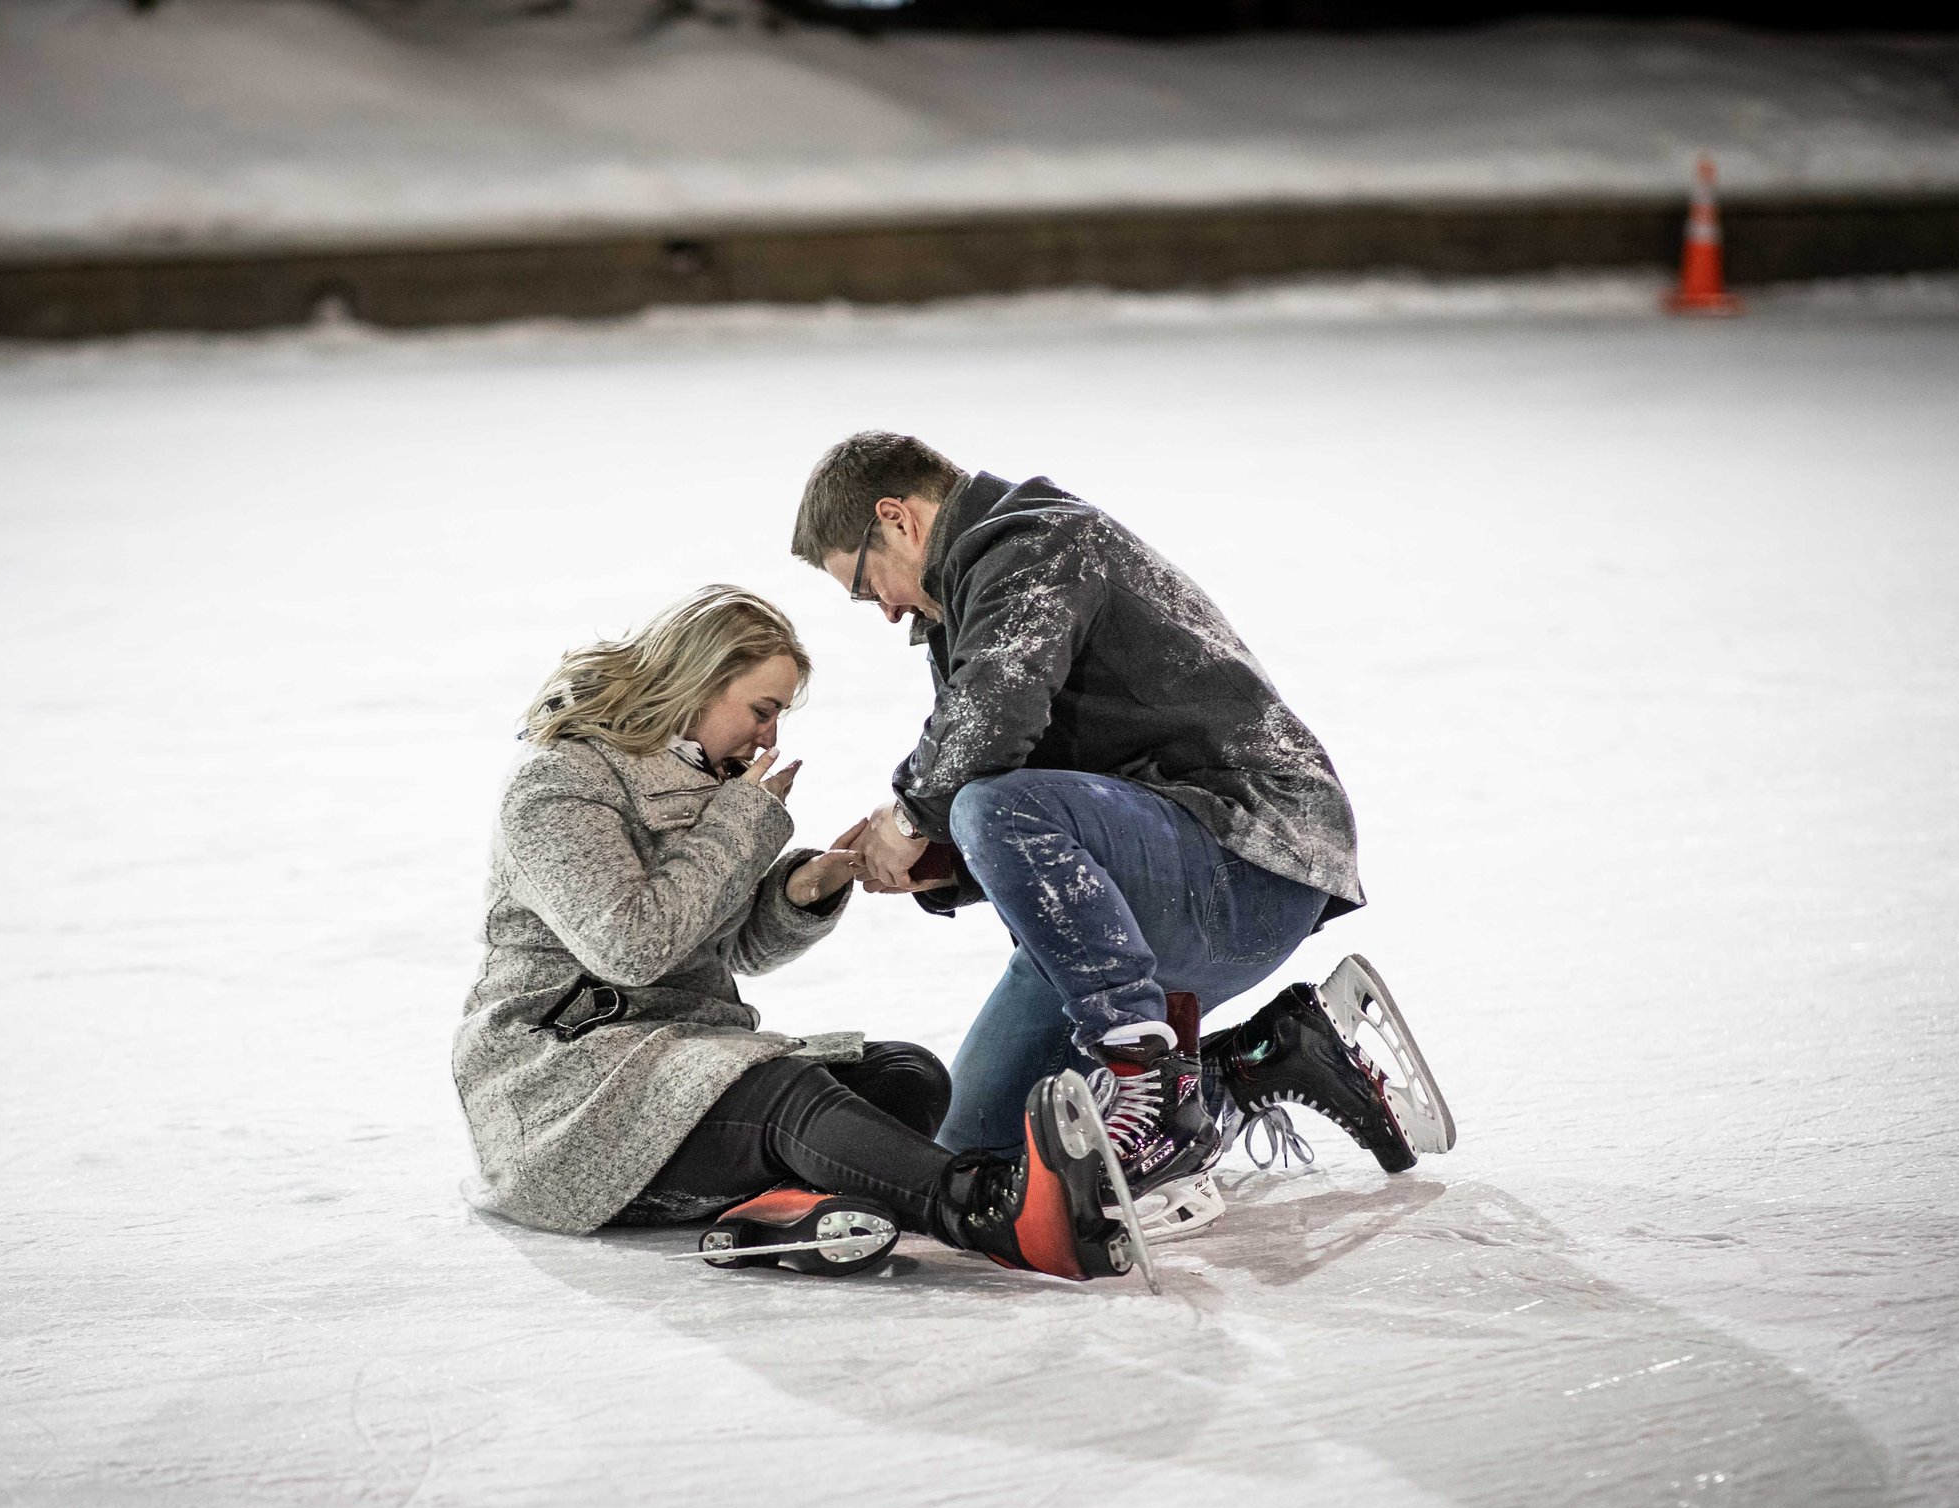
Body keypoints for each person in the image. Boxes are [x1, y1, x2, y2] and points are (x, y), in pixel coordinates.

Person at [788, 433, 1418, 1203]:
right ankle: (1259, 1060)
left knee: (988, 803)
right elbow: (1027, 784)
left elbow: (988, 737)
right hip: (1165, 884)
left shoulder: (1036, 541)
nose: (883, 610)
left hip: (1249, 862)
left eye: (863, 584)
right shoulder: (979, 587)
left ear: (899, 518)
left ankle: (1145, 1081)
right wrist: (934, 854)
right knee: (981, 1155)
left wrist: (915, 814)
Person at [450, 585, 1135, 1282]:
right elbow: (633, 946)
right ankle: (992, 1208)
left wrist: (800, 891)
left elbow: (730, 947)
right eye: (761, 709)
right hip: (565, 1091)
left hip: (665, 1061)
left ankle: (786, 1206)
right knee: (782, 1094)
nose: (769, 737)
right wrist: (738, 820)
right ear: (696, 683)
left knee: (906, 1076)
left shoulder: (704, 779)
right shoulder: (558, 783)